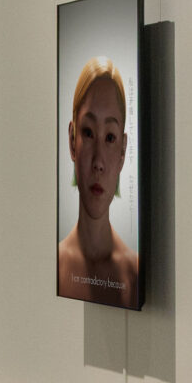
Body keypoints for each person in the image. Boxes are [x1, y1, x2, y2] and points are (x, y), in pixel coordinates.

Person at [57, 58, 141, 307]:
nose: (98, 162)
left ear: (123, 151)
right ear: (72, 141)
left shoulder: (133, 273)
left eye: (110, 138)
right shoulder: (57, 264)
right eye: (88, 133)